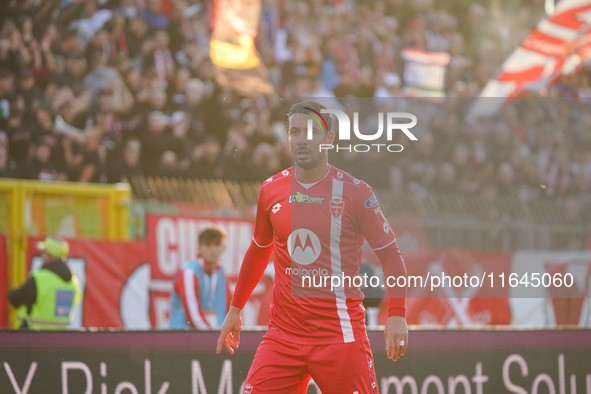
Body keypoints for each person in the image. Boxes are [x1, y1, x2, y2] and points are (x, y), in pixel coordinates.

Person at [216, 100, 408, 393]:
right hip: (283, 336)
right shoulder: (271, 189)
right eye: (295, 132)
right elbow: (259, 249)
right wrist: (235, 308)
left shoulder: (356, 193)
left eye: (312, 132)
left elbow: (391, 255)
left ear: (329, 138)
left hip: (340, 337)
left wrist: (397, 314)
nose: (302, 139)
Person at [8, 236, 81, 330]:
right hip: (61, 338)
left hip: (34, 336)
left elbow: (15, 298)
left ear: (50, 255)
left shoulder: (40, 279)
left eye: (44, 251)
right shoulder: (74, 283)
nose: (41, 254)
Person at [169, 226, 231, 329]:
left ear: (223, 247)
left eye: (217, 244)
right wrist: (213, 338)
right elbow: (193, 316)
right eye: (208, 245)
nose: (213, 249)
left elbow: (229, 307)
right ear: (199, 247)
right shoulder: (188, 272)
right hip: (183, 339)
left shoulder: (221, 272)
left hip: (212, 338)